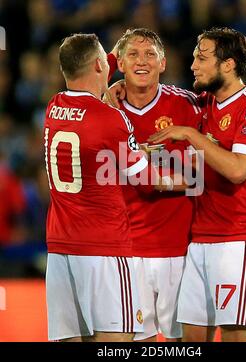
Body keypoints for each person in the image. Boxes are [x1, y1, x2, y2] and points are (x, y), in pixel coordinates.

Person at [149, 27, 246, 342]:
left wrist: (191, 136)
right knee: (190, 342)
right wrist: (118, 90)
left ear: (228, 65)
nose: (193, 65)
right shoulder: (201, 104)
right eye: (194, 56)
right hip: (197, 242)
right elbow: (162, 98)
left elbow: (237, 170)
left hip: (239, 240)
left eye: (202, 58)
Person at [43, 33, 154, 342]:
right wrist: (190, 164)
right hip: (103, 249)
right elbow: (144, 178)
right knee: (115, 343)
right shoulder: (110, 119)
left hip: (60, 249)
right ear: (98, 65)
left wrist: (117, 52)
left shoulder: (53, 109)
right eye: (108, 62)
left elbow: (87, 64)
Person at [107, 28, 201, 342]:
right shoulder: (106, 109)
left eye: (150, 54)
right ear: (119, 63)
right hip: (126, 251)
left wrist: (156, 181)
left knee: (182, 342)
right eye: (133, 54)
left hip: (179, 248)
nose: (142, 61)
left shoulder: (189, 105)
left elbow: (204, 173)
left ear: (163, 63)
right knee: (136, 340)